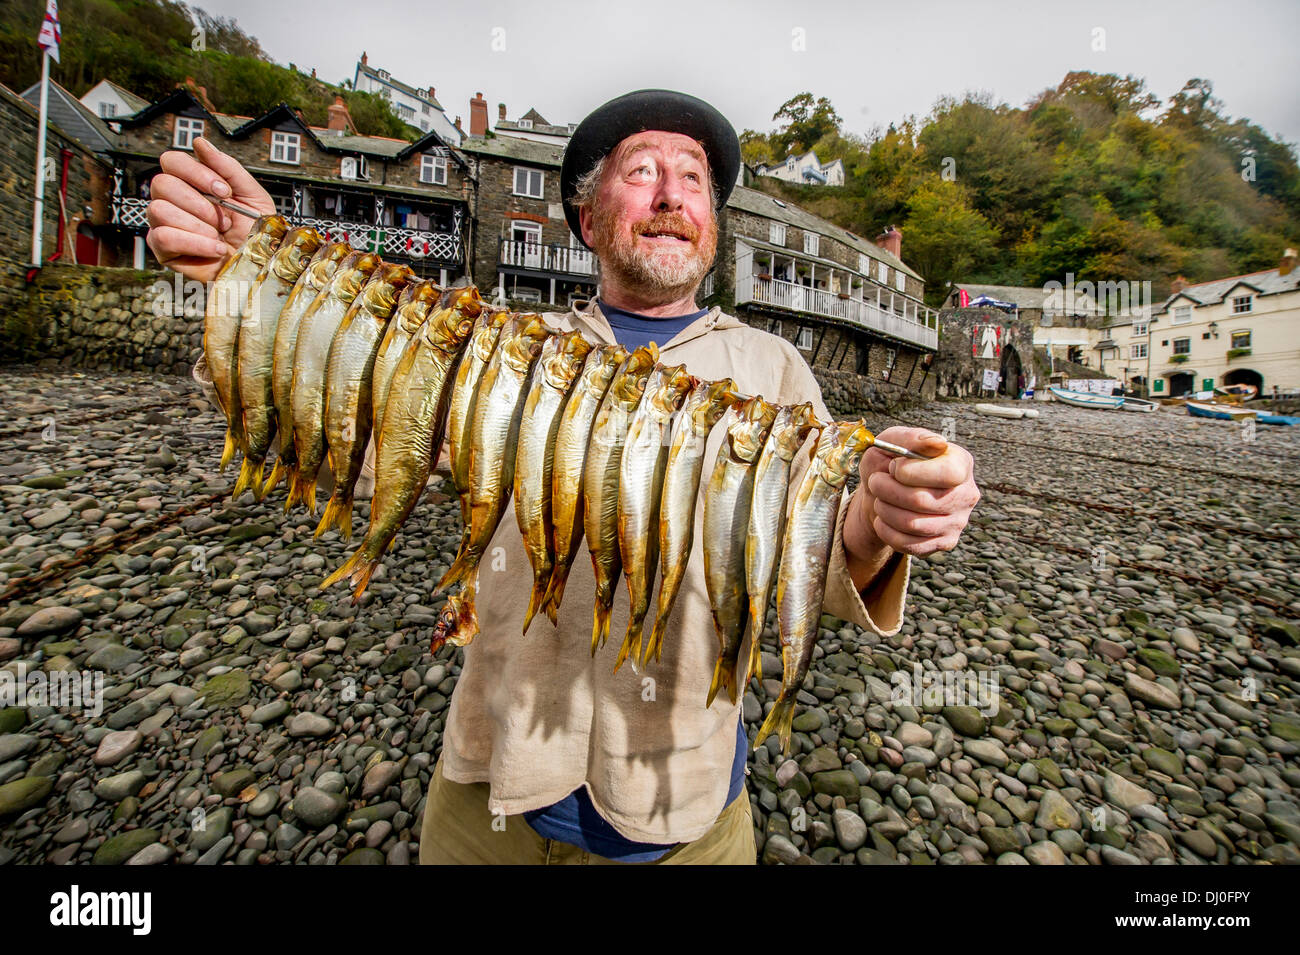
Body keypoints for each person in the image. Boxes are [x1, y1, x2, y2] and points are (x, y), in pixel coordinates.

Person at [145, 89, 980, 865]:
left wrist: (887, 515)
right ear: (586, 216)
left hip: (685, 817)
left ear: (713, 227)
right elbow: (358, 449)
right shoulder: (504, 342)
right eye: (642, 171)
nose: (670, 195)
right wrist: (266, 294)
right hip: (488, 796)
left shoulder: (774, 369)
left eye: (693, 181)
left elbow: (827, 563)